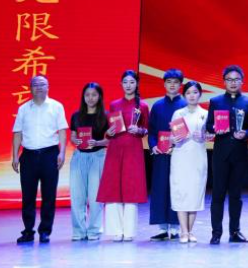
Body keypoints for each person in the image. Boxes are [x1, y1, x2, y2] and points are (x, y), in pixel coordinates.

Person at [11, 75, 68, 244]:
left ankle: (45, 231)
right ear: (30, 88)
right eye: (35, 85)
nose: (39, 87)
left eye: (43, 84)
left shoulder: (57, 106)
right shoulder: (23, 109)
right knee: (28, 195)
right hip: (28, 155)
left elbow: (62, 131)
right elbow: (17, 133)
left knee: (49, 195)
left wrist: (62, 153)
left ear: (48, 87)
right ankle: (28, 231)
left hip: (50, 154)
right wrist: (15, 156)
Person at [205, 65, 248, 244]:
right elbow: (209, 125)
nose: (233, 83)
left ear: (242, 81)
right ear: (224, 82)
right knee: (218, 194)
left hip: (240, 154)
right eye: (229, 79)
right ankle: (216, 233)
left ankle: (235, 232)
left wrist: (246, 134)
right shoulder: (216, 101)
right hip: (220, 154)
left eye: (236, 79)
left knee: (236, 195)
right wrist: (215, 129)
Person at [97, 70, 150, 242]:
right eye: (125, 82)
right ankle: (116, 231)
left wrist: (139, 130)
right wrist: (109, 132)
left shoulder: (143, 106)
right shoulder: (114, 105)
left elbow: (146, 129)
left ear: (137, 84)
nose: (128, 85)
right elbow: (109, 130)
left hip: (133, 150)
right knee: (114, 189)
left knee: (130, 188)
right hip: (115, 149)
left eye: (132, 82)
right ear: (121, 84)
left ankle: (128, 232)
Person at [147, 69, 186, 241]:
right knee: (160, 188)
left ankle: (176, 228)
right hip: (161, 154)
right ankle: (162, 228)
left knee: (177, 188)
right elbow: (152, 131)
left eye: (175, 82)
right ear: (164, 84)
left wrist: (177, 144)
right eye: (169, 82)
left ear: (180, 85)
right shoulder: (157, 106)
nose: (172, 85)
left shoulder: (185, 104)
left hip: (179, 152)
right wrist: (153, 145)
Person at [170, 81, 210, 243]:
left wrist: (205, 136)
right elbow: (171, 137)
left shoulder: (206, 114)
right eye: (188, 93)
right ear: (184, 95)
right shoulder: (178, 114)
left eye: (195, 92)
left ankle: (190, 231)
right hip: (180, 157)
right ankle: (184, 232)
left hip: (198, 157)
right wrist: (173, 139)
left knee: (195, 194)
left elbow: (211, 134)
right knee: (181, 193)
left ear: (200, 94)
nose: (192, 96)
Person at [68, 82, 109, 241]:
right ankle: (78, 231)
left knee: (95, 197)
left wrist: (97, 142)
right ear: (83, 97)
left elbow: (110, 140)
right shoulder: (76, 116)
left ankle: (94, 231)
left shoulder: (106, 116)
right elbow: (72, 135)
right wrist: (75, 140)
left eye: (94, 95)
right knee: (77, 197)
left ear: (99, 97)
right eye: (87, 95)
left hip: (98, 157)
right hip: (79, 157)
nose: (90, 98)